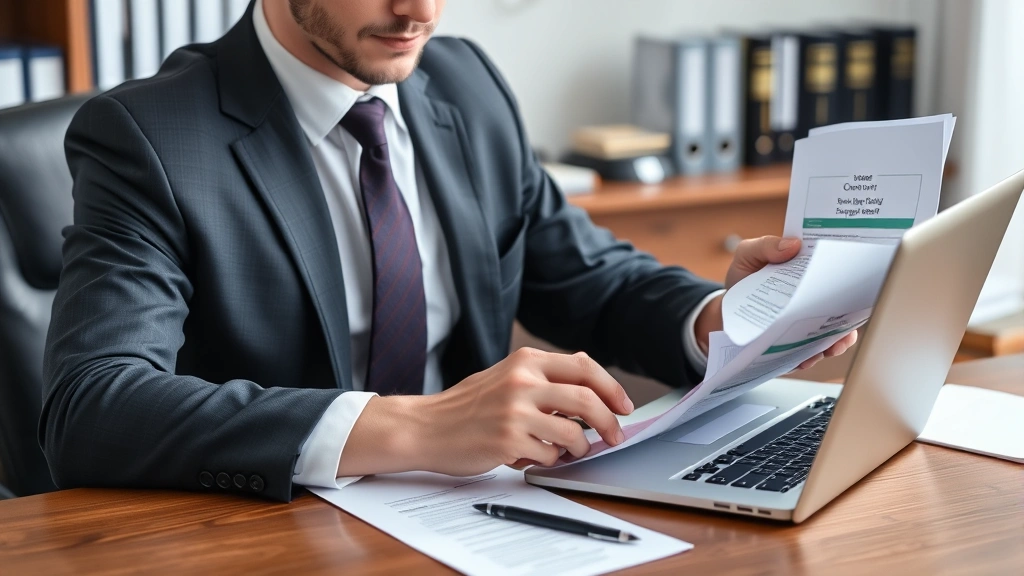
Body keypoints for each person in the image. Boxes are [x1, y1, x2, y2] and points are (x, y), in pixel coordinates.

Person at [40, 0, 856, 502]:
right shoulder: (150, 137)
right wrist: (420, 428)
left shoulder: (463, 82)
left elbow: (584, 277)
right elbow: (92, 406)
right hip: (273, 529)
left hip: (480, 519)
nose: (419, 10)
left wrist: (722, 319)